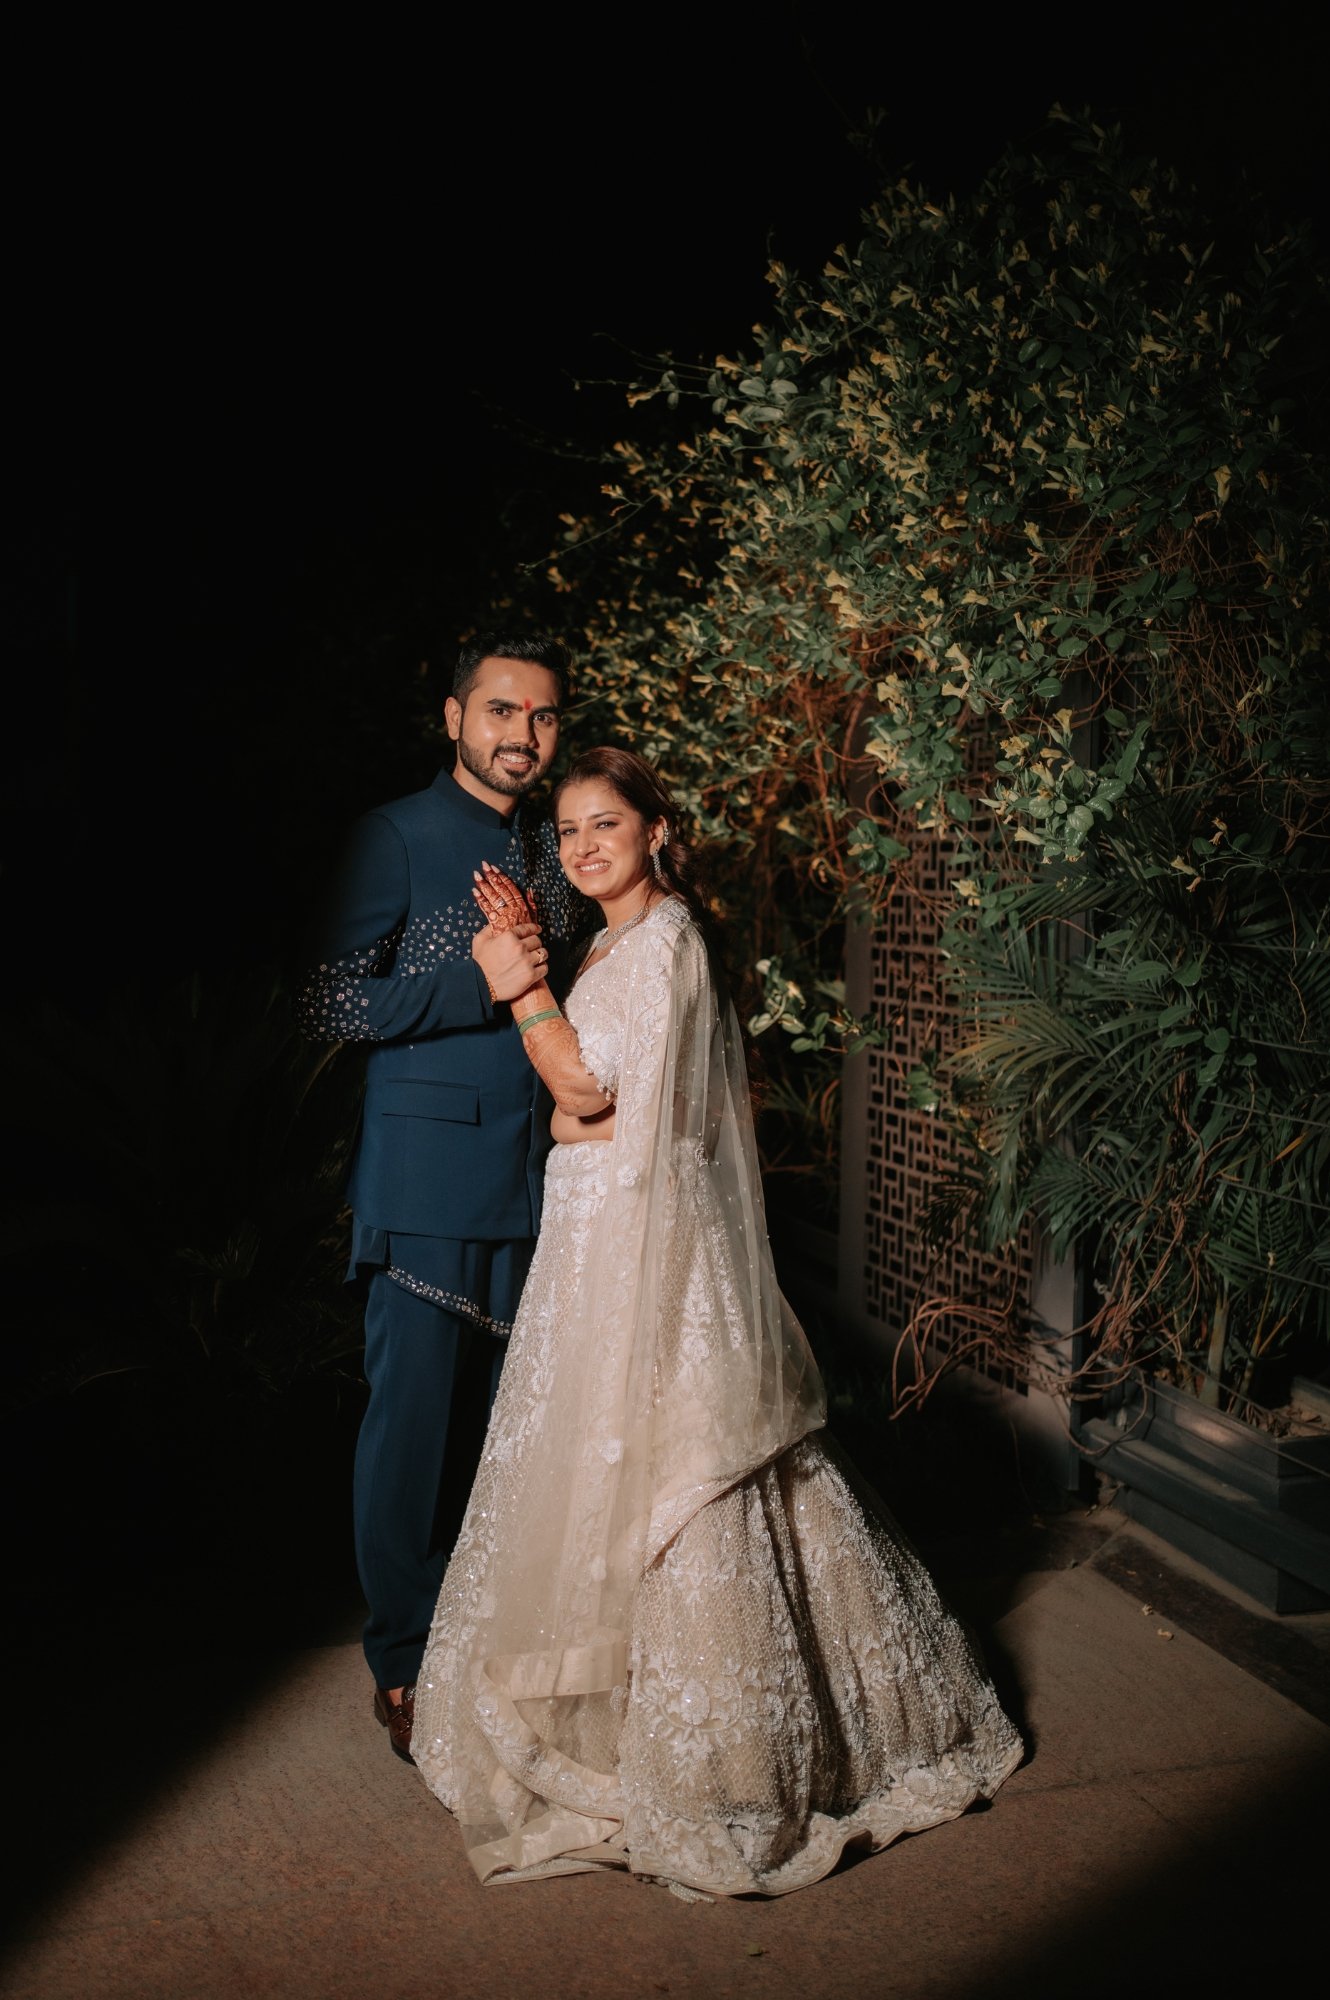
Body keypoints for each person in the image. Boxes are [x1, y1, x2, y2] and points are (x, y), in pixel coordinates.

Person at [409, 746, 1024, 1898]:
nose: (586, 845)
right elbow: (601, 1109)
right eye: (568, 832)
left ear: (656, 829)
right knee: (618, 1459)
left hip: (644, 1253)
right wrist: (548, 1005)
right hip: (604, 1243)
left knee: (688, 1469)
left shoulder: (664, 943)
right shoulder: (619, 941)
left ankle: (735, 1760)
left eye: (607, 823)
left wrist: (519, 987)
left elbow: (591, 1098)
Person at [296, 632, 595, 1763]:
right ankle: (405, 1658)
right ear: (454, 716)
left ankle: (493, 1634)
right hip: (426, 1182)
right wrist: (476, 979)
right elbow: (329, 1002)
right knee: (411, 1430)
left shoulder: (556, 843)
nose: (524, 733)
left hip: (545, 1177)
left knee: (509, 1432)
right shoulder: (395, 834)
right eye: (502, 710)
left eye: (546, 716)